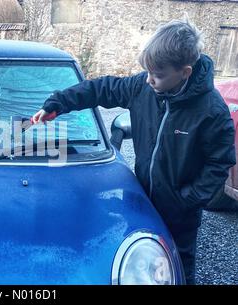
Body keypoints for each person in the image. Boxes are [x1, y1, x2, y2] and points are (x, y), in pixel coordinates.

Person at [32, 19, 236, 285]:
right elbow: (100, 89)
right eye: (147, 71)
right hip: (143, 201)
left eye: (158, 74)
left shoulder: (212, 111)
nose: (149, 79)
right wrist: (58, 103)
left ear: (185, 72)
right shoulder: (142, 87)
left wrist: (187, 200)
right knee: (138, 267)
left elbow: (219, 165)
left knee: (177, 271)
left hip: (181, 216)